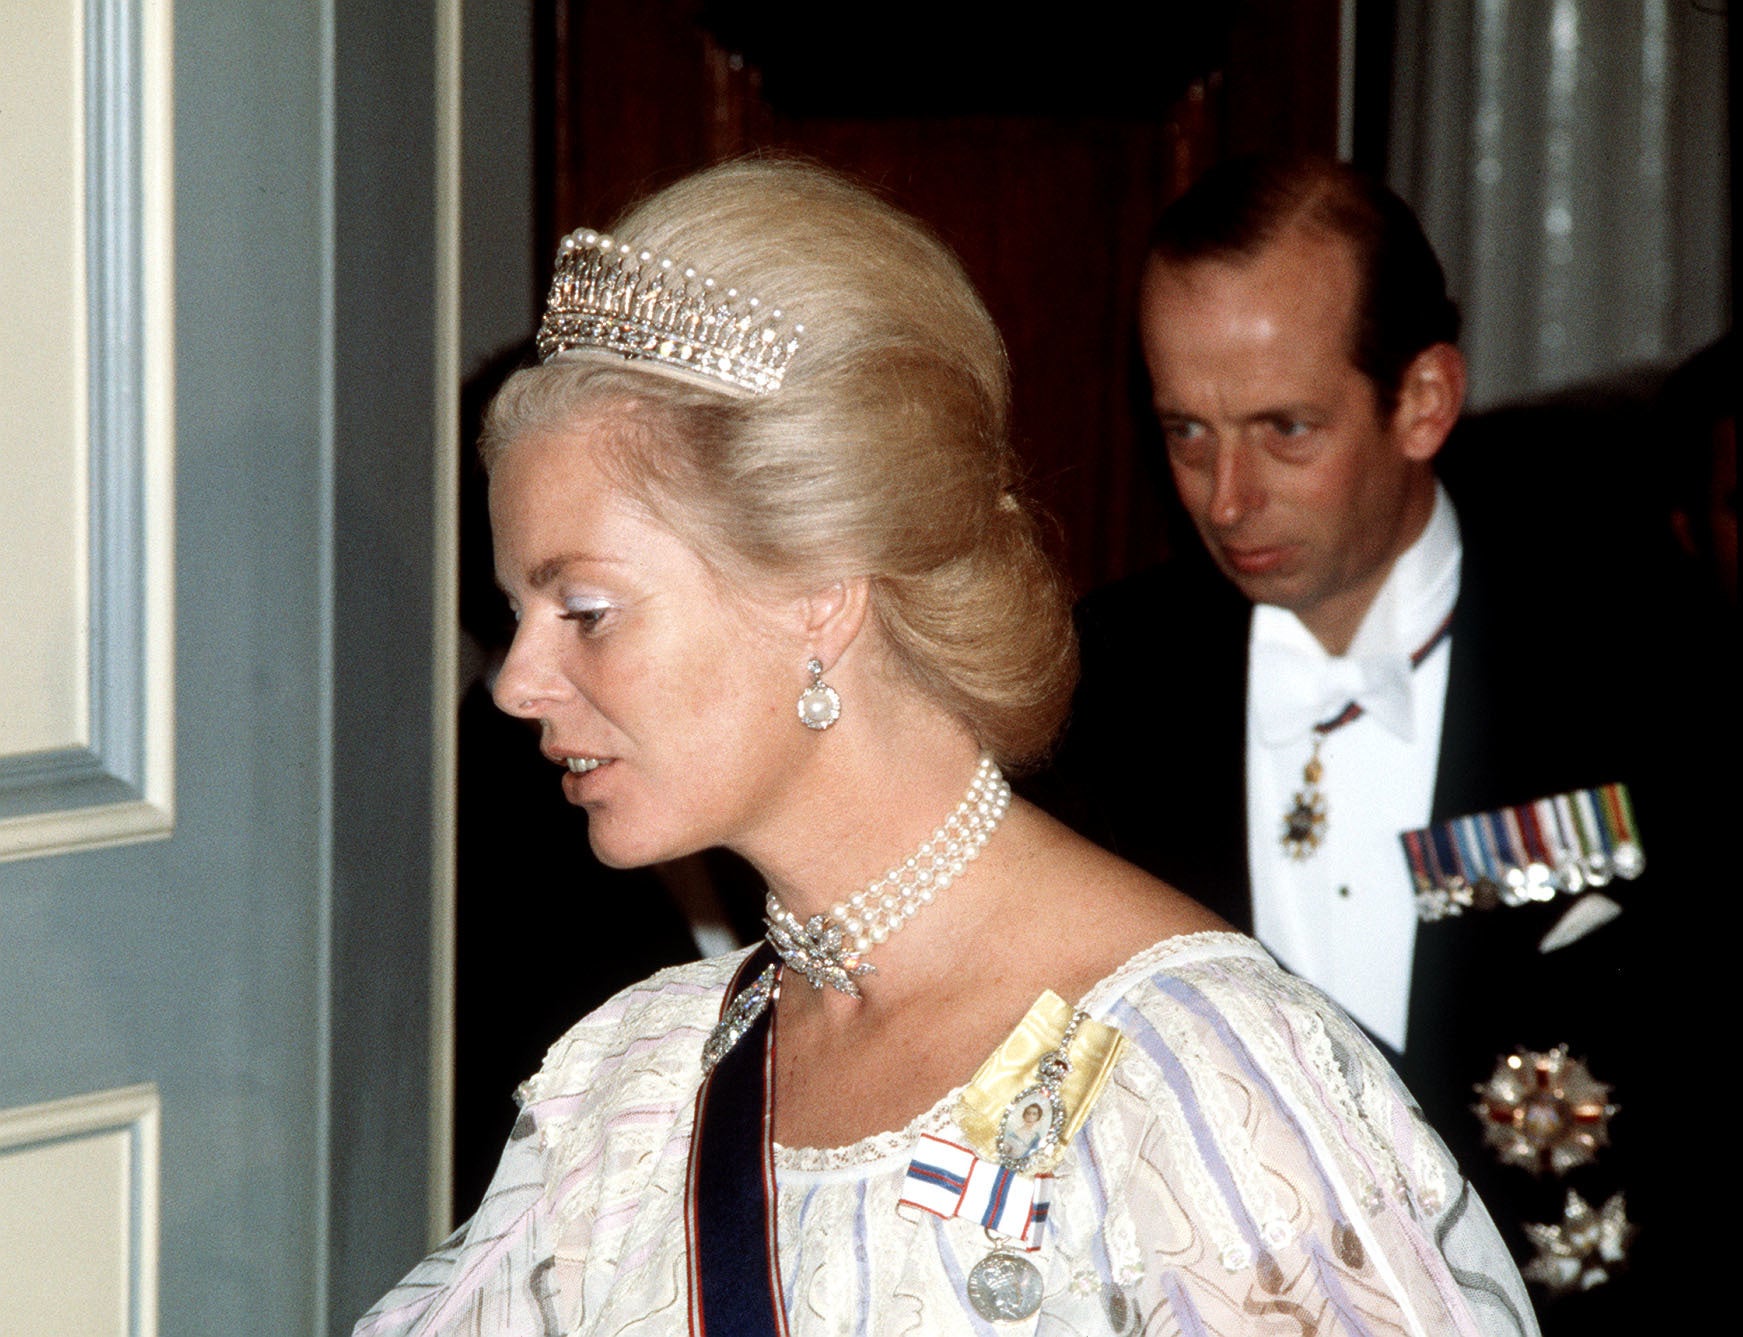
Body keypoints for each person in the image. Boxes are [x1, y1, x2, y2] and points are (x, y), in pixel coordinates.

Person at [355, 158, 1535, 1335]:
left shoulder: (1194, 1083)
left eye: (587, 611)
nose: (515, 682)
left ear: (820, 591)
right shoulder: (638, 1083)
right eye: (519, 612)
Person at [1036, 155, 1726, 1332]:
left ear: (1424, 401)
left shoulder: (1645, 665)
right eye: (1185, 433)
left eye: (1285, 430)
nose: (1228, 496)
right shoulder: (1098, 685)